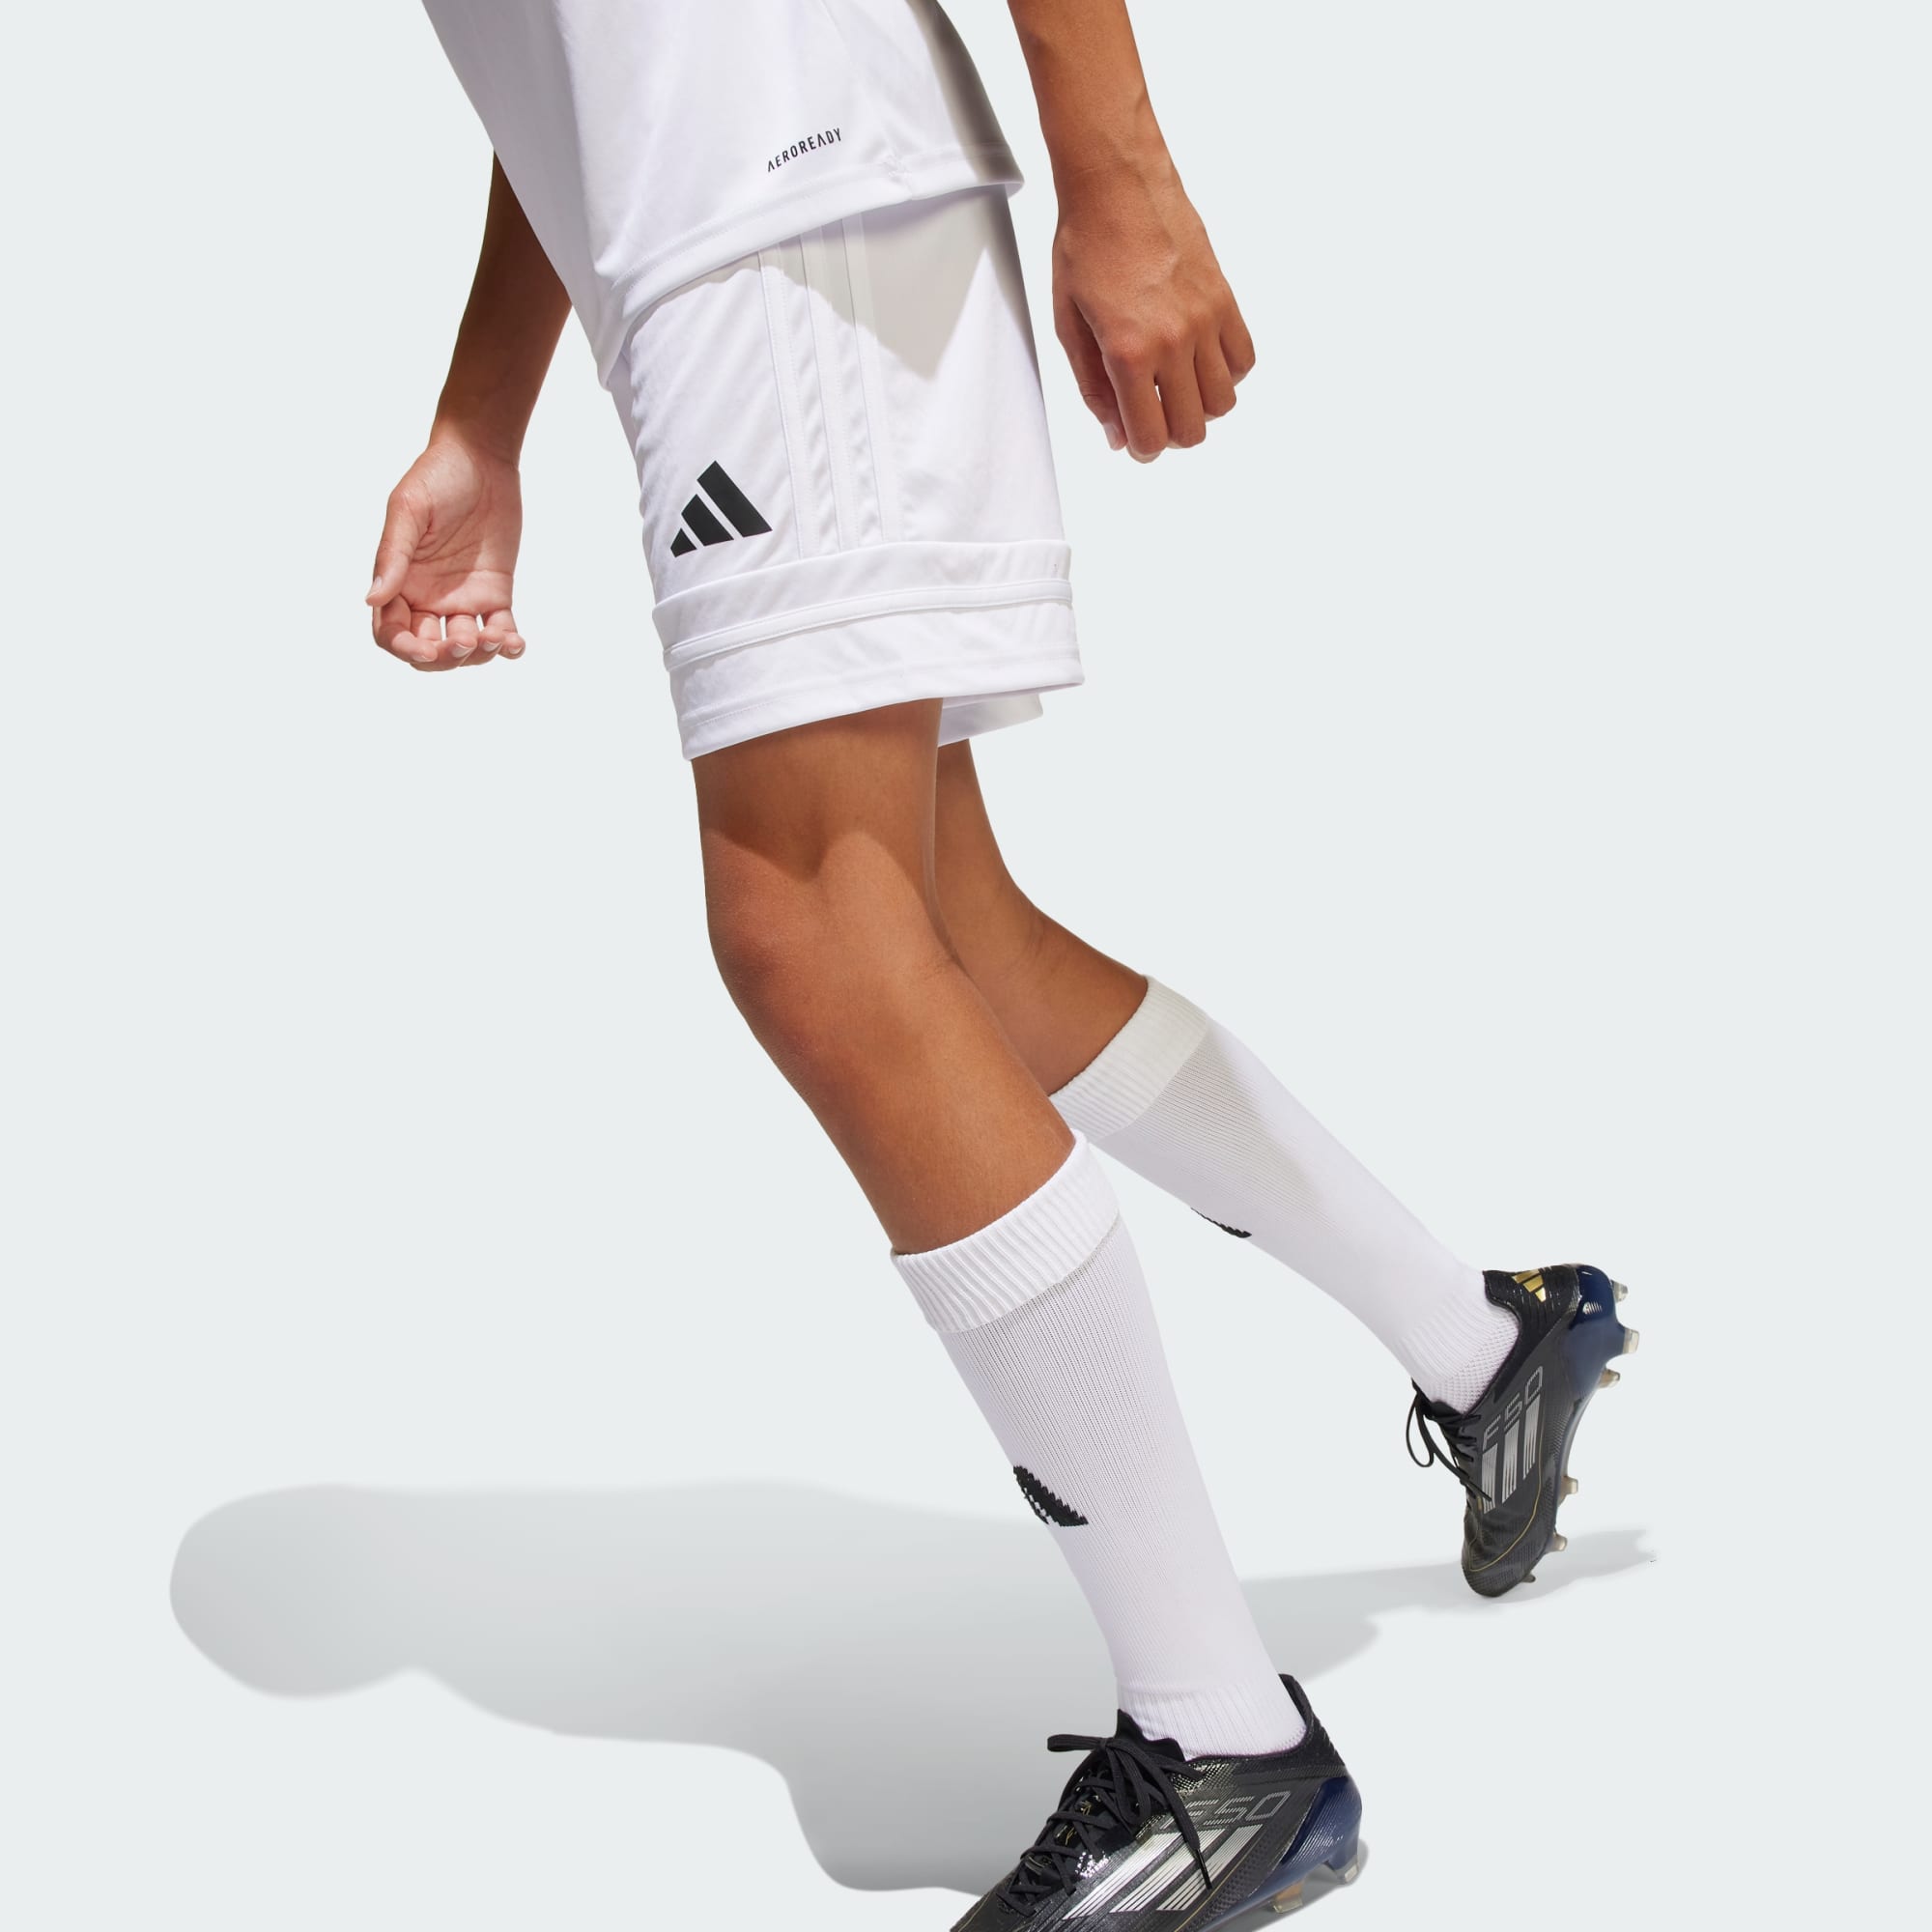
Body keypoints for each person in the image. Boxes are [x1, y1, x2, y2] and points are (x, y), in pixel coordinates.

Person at [365, 3, 1636, 1922]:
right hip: (736, 234)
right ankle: (1488, 1343)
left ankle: (1221, 1737)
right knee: (943, 932)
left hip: (783, 216)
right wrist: (482, 416)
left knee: (808, 923)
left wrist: (1124, 183)